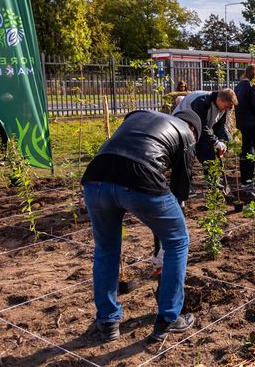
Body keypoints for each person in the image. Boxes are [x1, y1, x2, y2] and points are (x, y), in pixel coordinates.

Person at [81, 109, 201, 343]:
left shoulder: (141, 115)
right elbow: (180, 190)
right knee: (178, 240)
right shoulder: (186, 134)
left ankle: (107, 322)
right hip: (139, 178)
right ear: (194, 130)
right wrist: (163, 239)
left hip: (95, 179)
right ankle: (169, 318)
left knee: (106, 250)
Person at [174, 89, 237, 164]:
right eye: (226, 106)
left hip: (196, 129)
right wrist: (215, 142)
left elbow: (219, 127)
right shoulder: (202, 101)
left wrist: (222, 141)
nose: (227, 109)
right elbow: (200, 126)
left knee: (211, 160)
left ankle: (212, 173)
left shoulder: (223, 107)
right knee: (185, 160)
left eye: (229, 108)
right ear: (219, 100)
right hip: (182, 126)